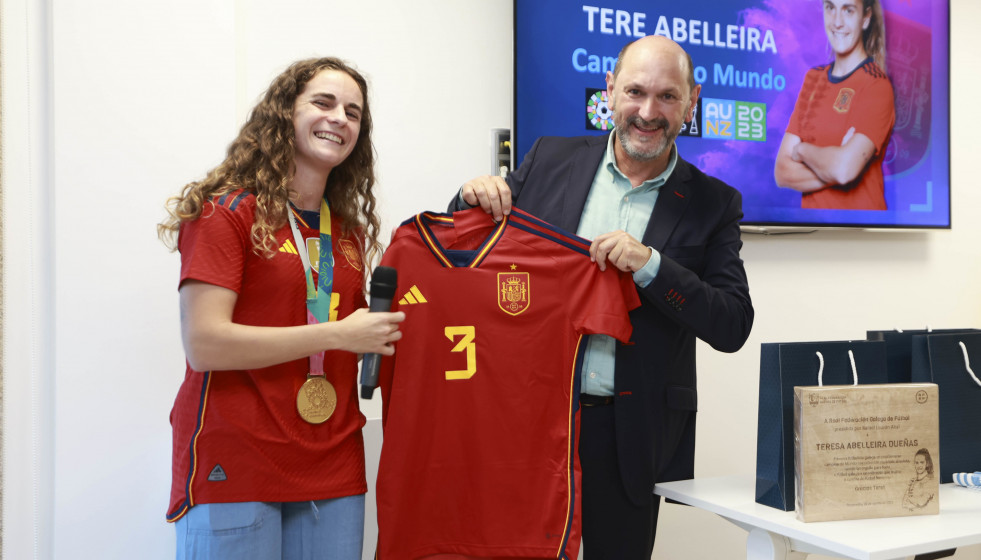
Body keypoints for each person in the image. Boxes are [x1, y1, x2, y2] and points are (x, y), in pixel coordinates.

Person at [449, 35, 754, 559]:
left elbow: (732, 324)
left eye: (667, 96)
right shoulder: (549, 158)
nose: (648, 112)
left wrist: (652, 266)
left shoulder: (713, 202)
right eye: (635, 92)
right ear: (610, 90)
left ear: (692, 102)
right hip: (532, 420)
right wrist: (469, 196)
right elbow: (468, 253)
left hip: (629, 433)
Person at [157, 57, 405, 560]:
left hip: (333, 464)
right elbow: (205, 344)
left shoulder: (348, 233)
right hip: (236, 460)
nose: (339, 118)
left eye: (353, 112)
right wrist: (336, 335)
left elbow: (357, 337)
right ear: (285, 113)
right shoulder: (226, 212)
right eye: (323, 102)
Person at [774, 0, 895, 210]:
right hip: (810, 227)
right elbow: (782, 172)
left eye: (848, 10)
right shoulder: (813, 78)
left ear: (865, 18)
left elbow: (844, 170)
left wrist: (802, 150)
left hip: (860, 227)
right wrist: (837, 163)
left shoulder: (877, 85)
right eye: (830, 8)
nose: (837, 22)